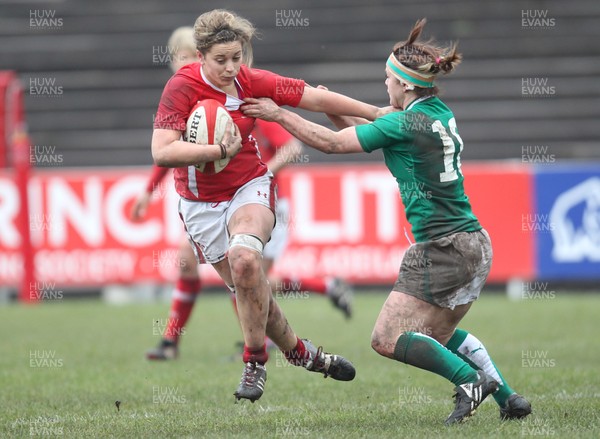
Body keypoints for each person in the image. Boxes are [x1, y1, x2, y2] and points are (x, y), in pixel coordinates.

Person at [242, 18, 532, 423]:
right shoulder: (435, 114)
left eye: (388, 79)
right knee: (439, 335)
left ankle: (470, 381)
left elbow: (332, 144)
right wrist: (330, 109)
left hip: (442, 247)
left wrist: (278, 113)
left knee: (385, 338)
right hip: (475, 244)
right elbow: (373, 134)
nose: (386, 86)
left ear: (406, 85)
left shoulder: (403, 121)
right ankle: (508, 399)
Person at [151, 9, 382, 402]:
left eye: (236, 58)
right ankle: (304, 354)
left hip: (248, 186)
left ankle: (254, 361)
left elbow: (312, 95)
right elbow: (162, 151)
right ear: (202, 55)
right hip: (200, 205)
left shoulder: (250, 82)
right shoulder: (181, 87)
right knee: (254, 289)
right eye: (220, 60)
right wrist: (217, 149)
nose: (230, 68)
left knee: (246, 262)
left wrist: (375, 112)